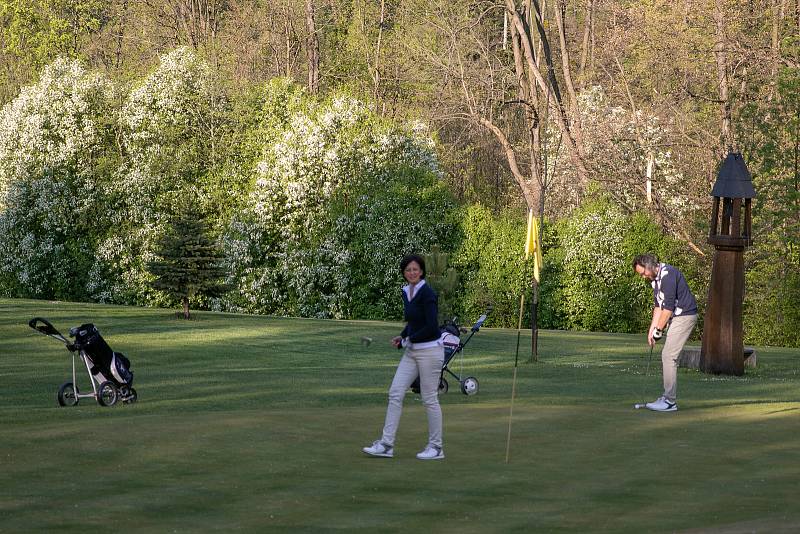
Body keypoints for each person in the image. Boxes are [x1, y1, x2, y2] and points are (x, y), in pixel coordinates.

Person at [362, 254, 445, 460]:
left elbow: (431, 326)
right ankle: (386, 444)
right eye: (408, 270)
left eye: (415, 269)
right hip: (412, 351)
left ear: (422, 271)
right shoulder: (406, 291)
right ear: (404, 273)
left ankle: (436, 447)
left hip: (430, 351)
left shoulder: (428, 293)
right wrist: (404, 335)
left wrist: (410, 339)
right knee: (395, 393)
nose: (412, 273)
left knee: (429, 399)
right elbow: (413, 322)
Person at [632, 253, 698, 412]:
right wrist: (652, 329)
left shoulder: (668, 275)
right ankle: (667, 397)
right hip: (676, 316)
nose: (643, 277)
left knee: (669, 356)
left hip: (685, 316)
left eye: (643, 273)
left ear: (649, 266)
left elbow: (667, 309)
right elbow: (658, 307)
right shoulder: (655, 280)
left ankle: (669, 401)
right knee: (668, 355)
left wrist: (658, 330)